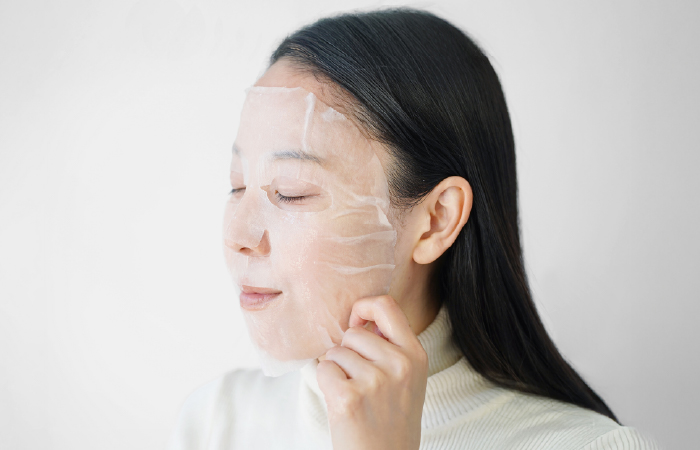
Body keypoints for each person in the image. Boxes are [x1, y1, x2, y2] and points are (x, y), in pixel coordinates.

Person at [169, 8, 658, 450]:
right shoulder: (214, 423)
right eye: (237, 185)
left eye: (291, 192)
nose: (239, 235)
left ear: (436, 220)